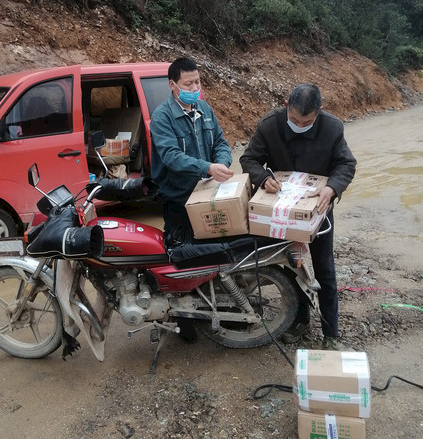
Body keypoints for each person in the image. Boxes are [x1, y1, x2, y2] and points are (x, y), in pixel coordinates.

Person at [239, 84, 356, 350]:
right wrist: (263, 177)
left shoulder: (332, 128)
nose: (299, 125)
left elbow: (346, 164)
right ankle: (300, 321)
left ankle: (330, 333)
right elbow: (249, 160)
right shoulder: (270, 125)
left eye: (307, 122)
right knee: (291, 266)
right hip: (282, 212)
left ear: (319, 112)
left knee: (325, 270)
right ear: (286, 105)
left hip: (317, 210)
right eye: (294, 119)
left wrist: (332, 188)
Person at [150, 57, 233, 341]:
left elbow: (220, 142)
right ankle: (184, 321)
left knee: (212, 253)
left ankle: (215, 308)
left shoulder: (204, 110)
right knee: (182, 259)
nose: (195, 88)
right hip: (178, 199)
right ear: (173, 85)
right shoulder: (162, 117)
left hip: (208, 195)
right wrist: (206, 168)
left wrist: (220, 163)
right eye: (188, 84)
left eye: (197, 82)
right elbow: (171, 156)